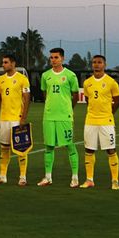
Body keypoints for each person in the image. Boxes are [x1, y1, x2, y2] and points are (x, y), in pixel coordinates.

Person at [37, 47, 80, 187]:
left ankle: (75, 177)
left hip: (64, 116)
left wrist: (67, 108)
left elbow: (75, 95)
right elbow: (45, 94)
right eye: (51, 57)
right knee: (48, 146)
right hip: (49, 116)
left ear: (62, 58)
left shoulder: (70, 75)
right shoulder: (45, 76)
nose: (53, 60)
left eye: (56, 57)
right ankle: (47, 177)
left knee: (69, 145)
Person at [0, 54, 31, 186]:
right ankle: (2, 176)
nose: (3, 65)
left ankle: (22, 177)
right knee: (4, 148)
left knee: (21, 148)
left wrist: (23, 117)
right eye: (3, 62)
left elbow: (27, 98)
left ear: (13, 64)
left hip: (17, 119)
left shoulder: (22, 79)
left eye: (6, 62)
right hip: (4, 119)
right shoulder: (0, 79)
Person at [81, 55, 119, 190]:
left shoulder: (111, 82)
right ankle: (89, 179)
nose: (96, 65)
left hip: (106, 121)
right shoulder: (87, 83)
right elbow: (88, 100)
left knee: (111, 150)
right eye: (94, 63)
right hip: (91, 120)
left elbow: (117, 100)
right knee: (89, 149)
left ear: (104, 64)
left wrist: (108, 113)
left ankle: (115, 180)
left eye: (99, 62)